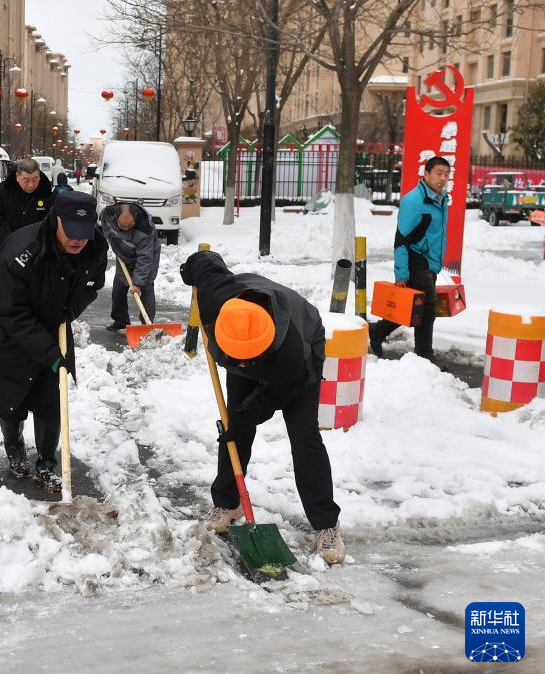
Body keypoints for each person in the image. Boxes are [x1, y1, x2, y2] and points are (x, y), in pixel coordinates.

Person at [180, 250, 345, 564]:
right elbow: (207, 262)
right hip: (246, 328)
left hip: (300, 347)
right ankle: (228, 502)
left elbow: (279, 392)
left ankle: (326, 524)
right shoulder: (216, 302)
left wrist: (248, 413)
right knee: (234, 429)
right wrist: (190, 269)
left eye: (249, 358)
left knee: (304, 437)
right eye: (238, 358)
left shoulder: (291, 355)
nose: (244, 363)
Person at [0, 192, 108, 491]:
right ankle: (15, 449)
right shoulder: (21, 252)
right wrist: (50, 353)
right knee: (11, 398)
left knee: (50, 400)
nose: (78, 241)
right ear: (55, 219)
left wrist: (73, 308)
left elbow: (92, 282)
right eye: (71, 232)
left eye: (84, 234)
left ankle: (46, 462)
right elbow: (13, 313)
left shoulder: (95, 245)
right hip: (3, 329)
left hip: (50, 323)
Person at [369, 156, 451, 370]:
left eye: (446, 174)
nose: (443, 178)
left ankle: (377, 331)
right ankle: (424, 355)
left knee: (414, 307)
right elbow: (401, 239)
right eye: (438, 173)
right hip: (415, 259)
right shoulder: (414, 201)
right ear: (426, 174)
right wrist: (401, 273)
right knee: (428, 308)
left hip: (429, 261)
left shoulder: (441, 199)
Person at [100, 202, 161, 332]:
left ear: (136, 217)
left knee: (146, 287)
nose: (126, 228)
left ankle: (147, 325)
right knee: (119, 287)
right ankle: (120, 320)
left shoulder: (145, 229)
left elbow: (144, 259)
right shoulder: (108, 214)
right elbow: (104, 223)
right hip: (123, 252)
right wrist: (110, 237)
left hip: (148, 256)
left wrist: (138, 283)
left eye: (130, 225)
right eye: (122, 226)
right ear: (116, 218)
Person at [0, 158, 54, 254]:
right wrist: (13, 238)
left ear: (39, 176)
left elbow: (50, 220)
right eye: (26, 180)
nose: (31, 185)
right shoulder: (3, 188)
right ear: (17, 177)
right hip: (7, 244)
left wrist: (34, 239)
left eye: (35, 179)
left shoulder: (47, 191)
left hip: (36, 247)